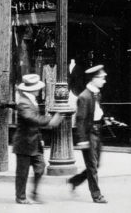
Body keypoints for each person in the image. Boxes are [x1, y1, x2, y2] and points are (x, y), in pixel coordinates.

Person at [13, 73, 63, 205]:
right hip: (24, 142)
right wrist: (50, 120)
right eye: (37, 88)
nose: (39, 90)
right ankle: (21, 197)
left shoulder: (30, 100)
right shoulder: (23, 103)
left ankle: (33, 193)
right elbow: (32, 119)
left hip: (33, 141)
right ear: (32, 89)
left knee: (40, 167)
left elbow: (33, 121)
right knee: (22, 172)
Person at [67, 65, 109, 204]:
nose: (104, 81)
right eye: (102, 78)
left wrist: (105, 119)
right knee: (92, 165)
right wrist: (82, 139)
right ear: (94, 79)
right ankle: (96, 195)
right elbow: (80, 120)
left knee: (96, 165)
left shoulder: (97, 93)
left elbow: (97, 112)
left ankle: (74, 181)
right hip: (89, 134)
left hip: (97, 131)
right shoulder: (84, 97)